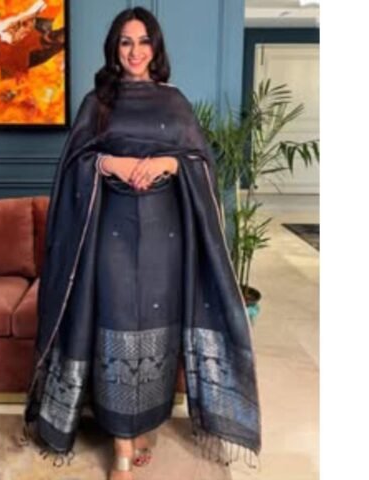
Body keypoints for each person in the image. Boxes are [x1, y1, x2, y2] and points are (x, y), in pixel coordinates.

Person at [23, 7, 261, 480]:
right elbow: (74, 164)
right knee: (115, 322)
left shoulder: (174, 102)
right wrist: (107, 163)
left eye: (143, 41)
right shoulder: (97, 102)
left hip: (164, 237)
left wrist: (168, 165)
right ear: (114, 49)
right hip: (110, 231)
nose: (135, 52)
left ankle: (145, 423)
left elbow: (199, 161)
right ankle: (121, 447)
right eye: (126, 42)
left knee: (158, 325)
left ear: (156, 47)